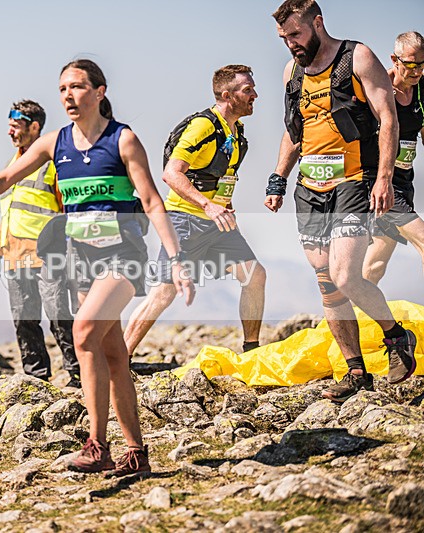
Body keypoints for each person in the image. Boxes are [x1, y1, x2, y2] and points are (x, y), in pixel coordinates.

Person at [0, 59, 194, 476]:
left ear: (99, 92)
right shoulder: (54, 143)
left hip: (123, 255)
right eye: (63, 88)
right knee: (112, 352)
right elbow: (7, 176)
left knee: (82, 332)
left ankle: (97, 445)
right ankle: (136, 452)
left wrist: (175, 259)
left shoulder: (123, 141)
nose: (68, 95)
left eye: (77, 87)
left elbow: (152, 201)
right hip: (82, 259)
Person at [264, 0, 417, 402]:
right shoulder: (291, 72)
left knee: (347, 274)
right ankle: (355, 372)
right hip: (310, 188)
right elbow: (294, 131)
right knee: (328, 285)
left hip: (354, 181)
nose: (291, 44)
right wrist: (278, 178)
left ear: (317, 23)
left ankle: (397, 336)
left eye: (296, 35)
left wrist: (384, 179)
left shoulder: (357, 56)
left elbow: (389, 119)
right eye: (284, 38)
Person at [124, 65, 266, 357]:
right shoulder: (203, 126)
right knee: (164, 293)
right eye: (247, 90)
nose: (255, 95)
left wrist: (223, 205)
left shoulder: (235, 130)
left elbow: (217, 177)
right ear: (227, 95)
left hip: (217, 224)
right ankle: (118, 360)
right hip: (184, 221)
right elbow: (171, 174)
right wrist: (207, 204)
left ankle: (251, 349)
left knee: (254, 275)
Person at [0, 99, 80, 387]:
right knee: (24, 319)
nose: (11, 132)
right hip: (14, 256)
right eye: (9, 127)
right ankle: (36, 377)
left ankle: (79, 374)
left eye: (16, 127)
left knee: (59, 315)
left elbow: (68, 211)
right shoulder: (11, 165)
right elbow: (9, 213)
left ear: (35, 127)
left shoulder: (53, 165)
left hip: (49, 255)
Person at [363, 31, 424, 283]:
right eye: (411, 65)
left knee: (375, 264)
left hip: (403, 182)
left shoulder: (422, 92)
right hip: (379, 185)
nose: (417, 71)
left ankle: (352, 314)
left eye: (422, 65)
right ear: (394, 59)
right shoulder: (377, 89)